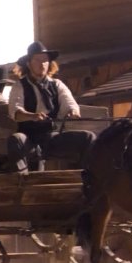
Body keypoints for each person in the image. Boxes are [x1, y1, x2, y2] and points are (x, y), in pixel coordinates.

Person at [6, 41, 95, 174]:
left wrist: (73, 111)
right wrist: (33, 116)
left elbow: (69, 102)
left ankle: (85, 177)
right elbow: (16, 112)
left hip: (51, 137)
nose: (42, 64)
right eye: (37, 60)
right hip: (29, 137)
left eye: (45, 60)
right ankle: (23, 180)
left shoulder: (57, 84)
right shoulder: (19, 86)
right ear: (29, 64)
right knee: (16, 139)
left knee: (88, 137)